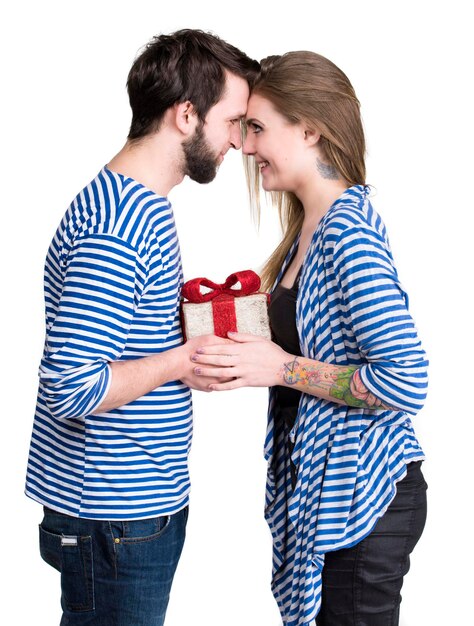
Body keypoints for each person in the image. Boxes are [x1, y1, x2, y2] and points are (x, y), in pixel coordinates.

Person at [25, 29, 258, 626]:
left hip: (129, 513)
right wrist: (181, 362)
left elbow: (118, 336)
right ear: (186, 115)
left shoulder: (139, 205)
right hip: (114, 518)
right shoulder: (120, 224)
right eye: (232, 120)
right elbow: (72, 389)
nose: (238, 141)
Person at [190, 51, 428, 625]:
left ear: (310, 130)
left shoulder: (347, 231)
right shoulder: (309, 232)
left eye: (257, 128)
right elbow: (305, 341)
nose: (246, 147)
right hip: (333, 493)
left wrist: (281, 369)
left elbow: (406, 380)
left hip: (363, 498)